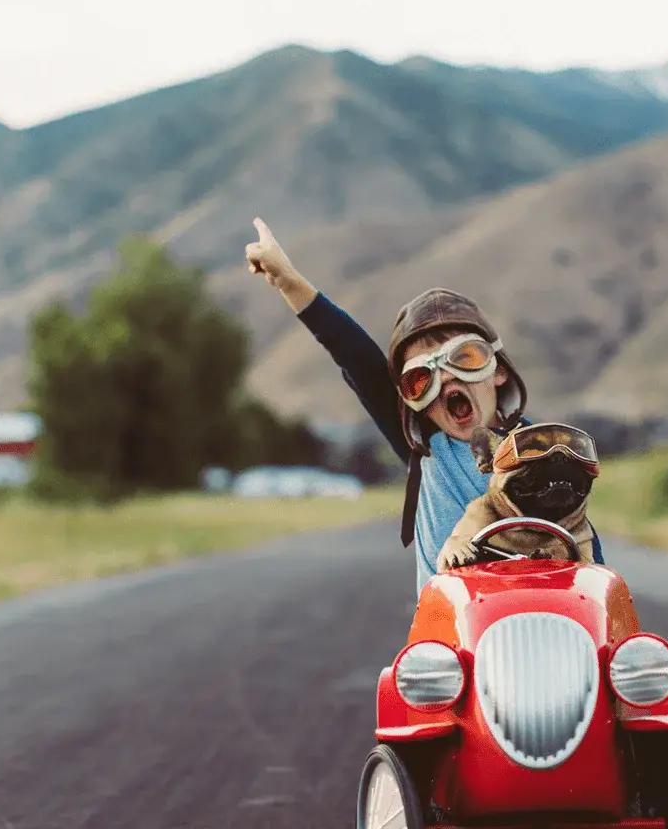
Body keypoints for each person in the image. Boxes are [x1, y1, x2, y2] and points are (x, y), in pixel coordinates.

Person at [243, 217, 605, 593]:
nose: (447, 379)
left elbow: (583, 545)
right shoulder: (429, 447)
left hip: (537, 621)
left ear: (498, 370)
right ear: (414, 402)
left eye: (465, 358)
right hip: (450, 637)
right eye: (421, 379)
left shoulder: (542, 451)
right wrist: (288, 281)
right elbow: (359, 360)